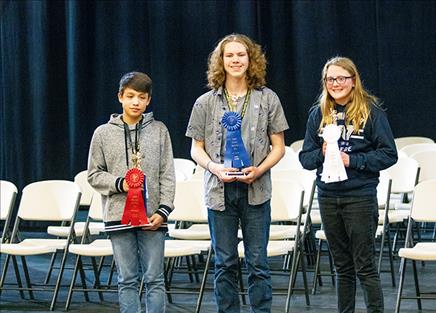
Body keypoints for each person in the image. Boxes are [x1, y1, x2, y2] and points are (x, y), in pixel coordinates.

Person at [186, 33, 289, 313]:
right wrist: (214, 167)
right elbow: (196, 149)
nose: (235, 60)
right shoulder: (205, 102)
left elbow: (279, 147)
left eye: (240, 55)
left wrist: (260, 170)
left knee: (258, 262)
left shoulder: (268, 98)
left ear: (250, 59)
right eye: (229, 55)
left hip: (256, 191)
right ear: (220, 61)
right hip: (219, 193)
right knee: (225, 262)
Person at [299, 57, 397, 313]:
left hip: (360, 197)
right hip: (328, 197)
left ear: (353, 81)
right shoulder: (317, 114)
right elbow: (305, 159)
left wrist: (352, 160)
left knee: (364, 266)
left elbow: (389, 154)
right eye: (330, 79)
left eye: (342, 78)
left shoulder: (371, 112)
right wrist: (322, 154)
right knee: (342, 267)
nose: (336, 83)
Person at [88, 71, 175, 313]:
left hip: (153, 217)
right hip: (118, 216)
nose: (135, 102)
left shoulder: (159, 130)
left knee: (155, 279)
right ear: (120, 97)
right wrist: (120, 184)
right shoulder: (103, 133)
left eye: (141, 97)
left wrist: (164, 210)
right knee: (126, 279)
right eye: (130, 96)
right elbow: (94, 174)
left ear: (148, 100)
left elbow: (167, 173)